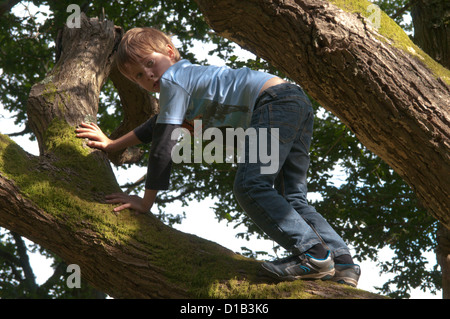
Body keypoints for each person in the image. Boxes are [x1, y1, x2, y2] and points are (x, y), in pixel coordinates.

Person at [75, 27, 360, 287]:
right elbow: (155, 126)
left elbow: (164, 145)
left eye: (149, 63)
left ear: (170, 53)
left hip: (272, 104)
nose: (147, 75)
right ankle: (343, 264)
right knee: (292, 198)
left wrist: (145, 202)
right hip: (293, 101)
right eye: (138, 75)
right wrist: (113, 144)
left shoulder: (175, 80)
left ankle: (313, 255)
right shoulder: (186, 83)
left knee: (251, 185)